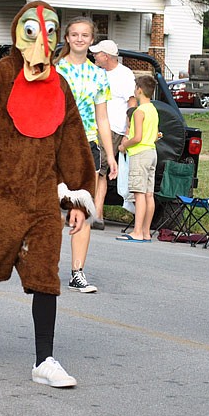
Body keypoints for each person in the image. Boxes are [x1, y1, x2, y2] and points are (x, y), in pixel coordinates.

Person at [0, 1, 96, 387]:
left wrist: (76, 198)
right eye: (33, 30)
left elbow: (73, 143)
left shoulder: (60, 85)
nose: (42, 39)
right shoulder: (0, 75)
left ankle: (45, 360)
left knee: (45, 274)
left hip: (41, 196)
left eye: (49, 31)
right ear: (18, 34)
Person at [54, 18, 117, 293]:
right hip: (56, 143)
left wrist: (111, 155)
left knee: (83, 208)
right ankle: (44, 264)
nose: (80, 39)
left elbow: (103, 119)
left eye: (85, 35)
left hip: (86, 146)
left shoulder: (99, 75)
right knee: (53, 208)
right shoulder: (55, 69)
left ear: (92, 41)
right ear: (67, 38)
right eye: (75, 34)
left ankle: (77, 271)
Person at [90, 39, 137, 228]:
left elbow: (132, 103)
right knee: (96, 170)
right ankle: (95, 213)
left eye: (97, 53)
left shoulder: (124, 75)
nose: (93, 55)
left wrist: (127, 132)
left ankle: (95, 214)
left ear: (106, 56)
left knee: (98, 170)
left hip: (112, 128)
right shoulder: (95, 72)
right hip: (92, 127)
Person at [116, 75, 159, 242]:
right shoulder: (153, 110)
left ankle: (137, 231)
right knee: (149, 194)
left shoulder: (139, 112)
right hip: (152, 152)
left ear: (139, 90)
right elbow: (155, 136)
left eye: (135, 88)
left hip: (139, 154)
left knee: (139, 194)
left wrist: (124, 145)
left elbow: (138, 137)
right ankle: (147, 232)